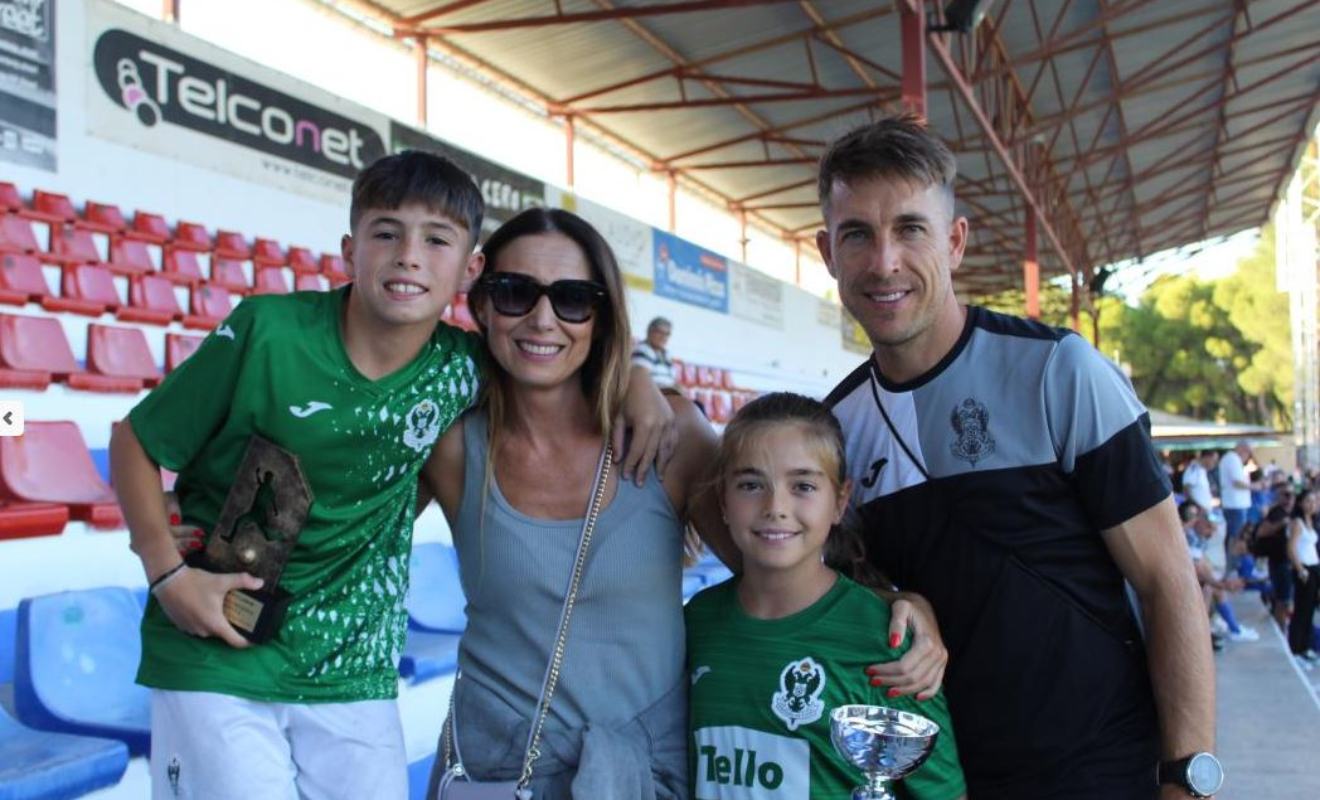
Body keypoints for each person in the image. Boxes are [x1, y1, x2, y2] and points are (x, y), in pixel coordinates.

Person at [109, 152, 675, 799]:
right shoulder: (268, 331)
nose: (409, 255)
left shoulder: (464, 368)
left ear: (470, 270)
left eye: (436, 239)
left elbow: (552, 359)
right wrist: (166, 573)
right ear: (350, 250)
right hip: (216, 648)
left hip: (353, 669)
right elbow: (134, 438)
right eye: (386, 233)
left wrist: (638, 380)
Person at [421, 208, 946, 799]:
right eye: (515, 293)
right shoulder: (448, 446)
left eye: (573, 298)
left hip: (640, 774)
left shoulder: (669, 435)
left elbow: (778, 566)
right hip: (493, 767)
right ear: (483, 304)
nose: (543, 319)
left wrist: (896, 604)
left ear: (602, 315)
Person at [815, 114, 1216, 799]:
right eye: (858, 234)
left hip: (1099, 770)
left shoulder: (1059, 371)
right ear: (827, 251)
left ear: (956, 241)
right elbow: (840, 594)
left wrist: (1188, 777)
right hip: (941, 779)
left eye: (910, 228)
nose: (884, 262)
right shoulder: (836, 429)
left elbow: (1168, 581)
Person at [686, 392, 966, 800]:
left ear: (839, 500)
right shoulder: (697, 622)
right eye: (750, 484)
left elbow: (945, 795)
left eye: (802, 485)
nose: (775, 507)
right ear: (723, 501)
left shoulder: (887, 642)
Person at [1179, 500, 1257, 643]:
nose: (1196, 520)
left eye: (1197, 516)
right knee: (1210, 588)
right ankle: (1204, 635)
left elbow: (1202, 564)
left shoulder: (1197, 537)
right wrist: (1220, 584)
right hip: (1181, 580)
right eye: (1191, 516)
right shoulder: (1184, 534)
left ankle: (1228, 630)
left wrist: (1219, 583)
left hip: (1193, 577)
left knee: (1212, 587)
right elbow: (1196, 568)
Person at [1253, 484, 1297, 629]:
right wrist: (1280, 524)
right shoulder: (1276, 513)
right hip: (1279, 560)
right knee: (1283, 600)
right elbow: (1261, 532)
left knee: (1287, 599)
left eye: (1291, 495)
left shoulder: (1295, 513)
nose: (1289, 498)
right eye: (1285, 495)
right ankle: (1280, 629)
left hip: (1289, 562)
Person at [1287, 489, 1320, 668]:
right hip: (1304, 569)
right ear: (1301, 503)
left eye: (1314, 501)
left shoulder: (1311, 521)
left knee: (1310, 610)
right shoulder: (1297, 523)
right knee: (1301, 610)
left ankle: (1305, 646)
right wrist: (1300, 570)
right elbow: (1291, 548)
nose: (1312, 504)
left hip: (1314, 567)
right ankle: (1296, 648)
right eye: (1308, 501)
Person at [1217, 441, 1256, 559]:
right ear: (1241, 448)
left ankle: (1233, 564)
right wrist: (1255, 486)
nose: (1248, 455)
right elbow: (1237, 482)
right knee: (1236, 538)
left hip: (1236, 505)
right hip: (1235, 506)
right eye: (1248, 452)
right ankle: (1232, 565)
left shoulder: (1232, 459)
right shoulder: (1232, 459)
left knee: (1236, 537)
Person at [632, 316, 677, 390]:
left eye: (667, 334)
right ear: (649, 331)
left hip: (668, 395)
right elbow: (642, 382)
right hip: (653, 396)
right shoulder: (642, 350)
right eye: (660, 332)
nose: (664, 337)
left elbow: (673, 380)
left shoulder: (666, 354)